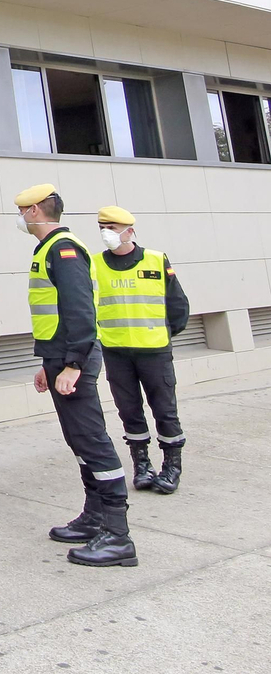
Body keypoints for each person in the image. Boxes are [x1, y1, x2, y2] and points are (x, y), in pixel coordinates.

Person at [13, 184, 137, 567]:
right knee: (79, 439)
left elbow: (81, 311)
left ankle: (118, 535)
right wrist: (50, 362)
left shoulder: (63, 250)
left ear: (35, 210)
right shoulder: (52, 248)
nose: (19, 218)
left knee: (91, 438)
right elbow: (58, 313)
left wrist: (73, 364)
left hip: (73, 358)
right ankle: (95, 517)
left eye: (22, 211)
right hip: (60, 356)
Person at [92, 206, 190, 495]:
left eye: (112, 228)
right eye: (103, 228)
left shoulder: (156, 259)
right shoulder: (94, 264)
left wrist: (163, 334)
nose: (106, 234)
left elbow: (178, 305)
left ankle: (171, 467)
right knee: (129, 412)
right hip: (116, 350)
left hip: (154, 351)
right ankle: (142, 465)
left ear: (130, 231)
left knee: (165, 411)